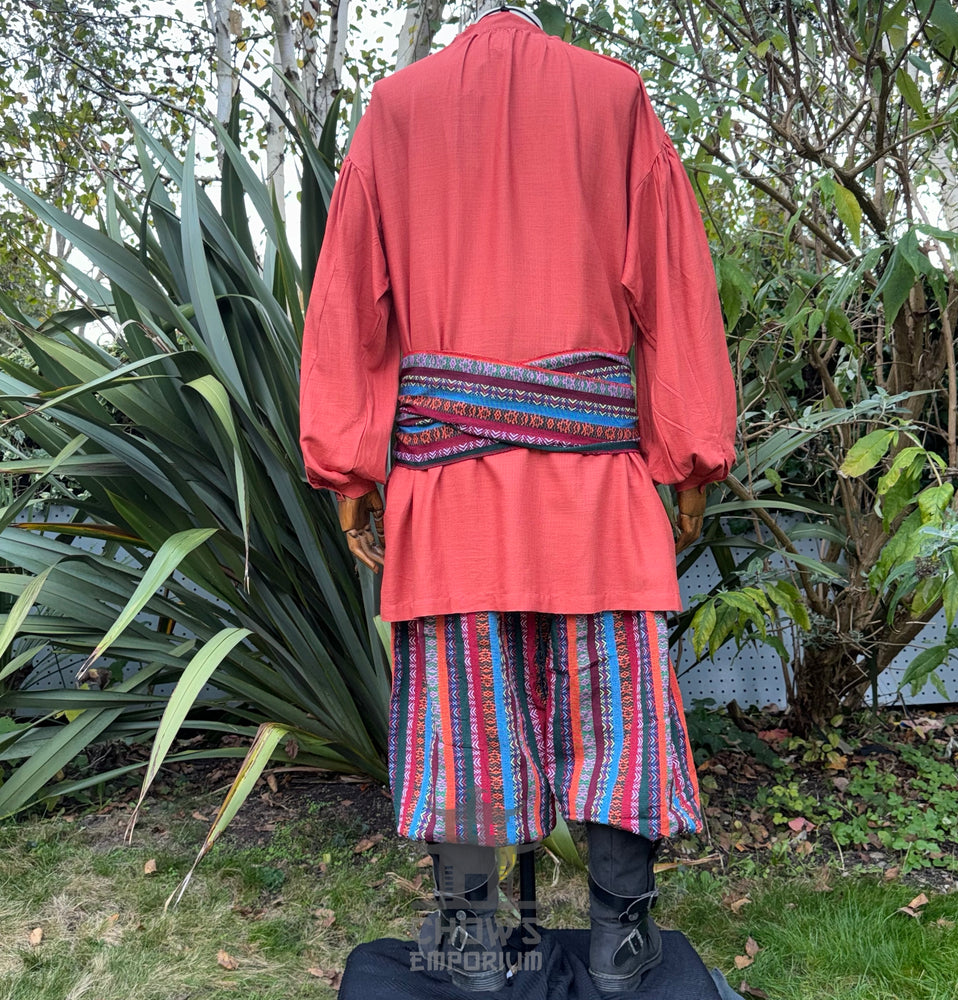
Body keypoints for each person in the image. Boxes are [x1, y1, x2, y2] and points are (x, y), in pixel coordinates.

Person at [299, 3, 737, 993]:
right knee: (616, 722)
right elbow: (674, 287)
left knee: (461, 730)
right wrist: (690, 456)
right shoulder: (613, 96)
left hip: (451, 496)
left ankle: (472, 952)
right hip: (595, 491)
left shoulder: (397, 110)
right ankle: (625, 952)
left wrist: (352, 472)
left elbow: (348, 309)